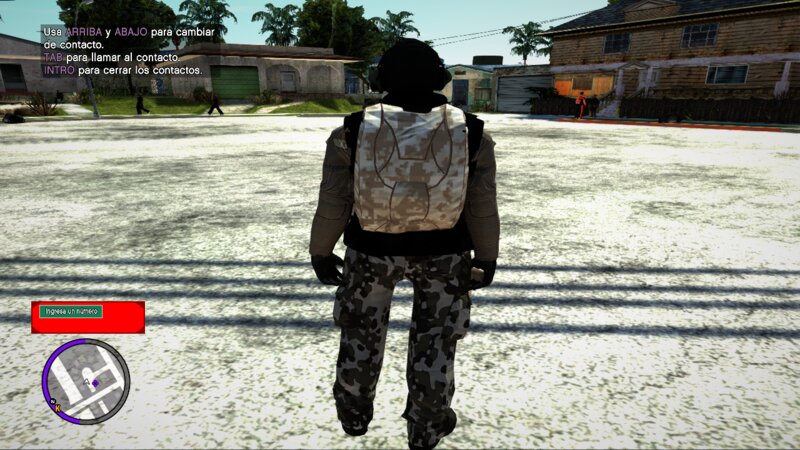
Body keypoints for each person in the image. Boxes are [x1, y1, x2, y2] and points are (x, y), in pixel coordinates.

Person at [309, 38, 499, 450]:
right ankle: (426, 428)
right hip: (446, 253)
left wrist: (320, 251)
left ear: (383, 79)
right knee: (437, 343)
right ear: (439, 78)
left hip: (370, 251)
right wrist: (487, 256)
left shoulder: (351, 130)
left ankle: (353, 415)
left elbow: (334, 200)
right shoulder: (472, 132)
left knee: (360, 334)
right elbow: (481, 205)